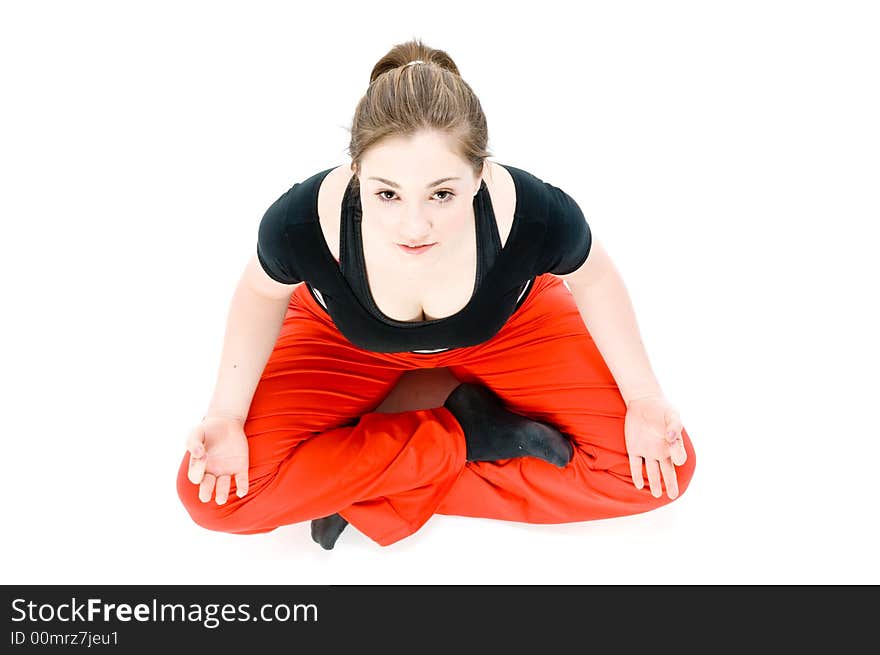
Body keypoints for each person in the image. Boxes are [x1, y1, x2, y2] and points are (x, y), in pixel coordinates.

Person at [175, 38, 697, 550]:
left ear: (481, 174)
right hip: (341, 341)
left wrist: (644, 398)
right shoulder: (301, 221)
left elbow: (595, 276)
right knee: (216, 498)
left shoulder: (535, 213)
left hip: (511, 331)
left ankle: (365, 482)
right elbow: (261, 293)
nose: (414, 224)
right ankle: (467, 435)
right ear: (355, 173)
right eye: (387, 194)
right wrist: (226, 414)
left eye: (442, 193)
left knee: (655, 470)